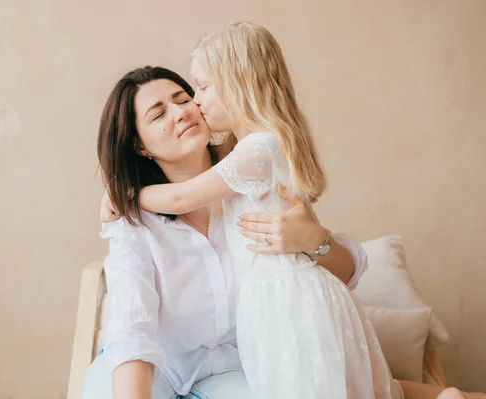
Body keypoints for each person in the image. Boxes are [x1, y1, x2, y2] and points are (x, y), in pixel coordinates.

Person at [88, 65, 485, 399]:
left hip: (238, 368)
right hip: (155, 372)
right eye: (158, 113)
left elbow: (346, 274)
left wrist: (313, 241)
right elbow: (132, 329)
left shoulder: (256, 178)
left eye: (182, 97)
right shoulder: (131, 217)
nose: (180, 112)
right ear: (139, 146)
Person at [136, 22, 397, 398]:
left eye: (204, 87)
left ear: (240, 83)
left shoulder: (258, 149)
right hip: (278, 302)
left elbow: (180, 198)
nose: (196, 100)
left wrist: (129, 193)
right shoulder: (256, 147)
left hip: (289, 301)